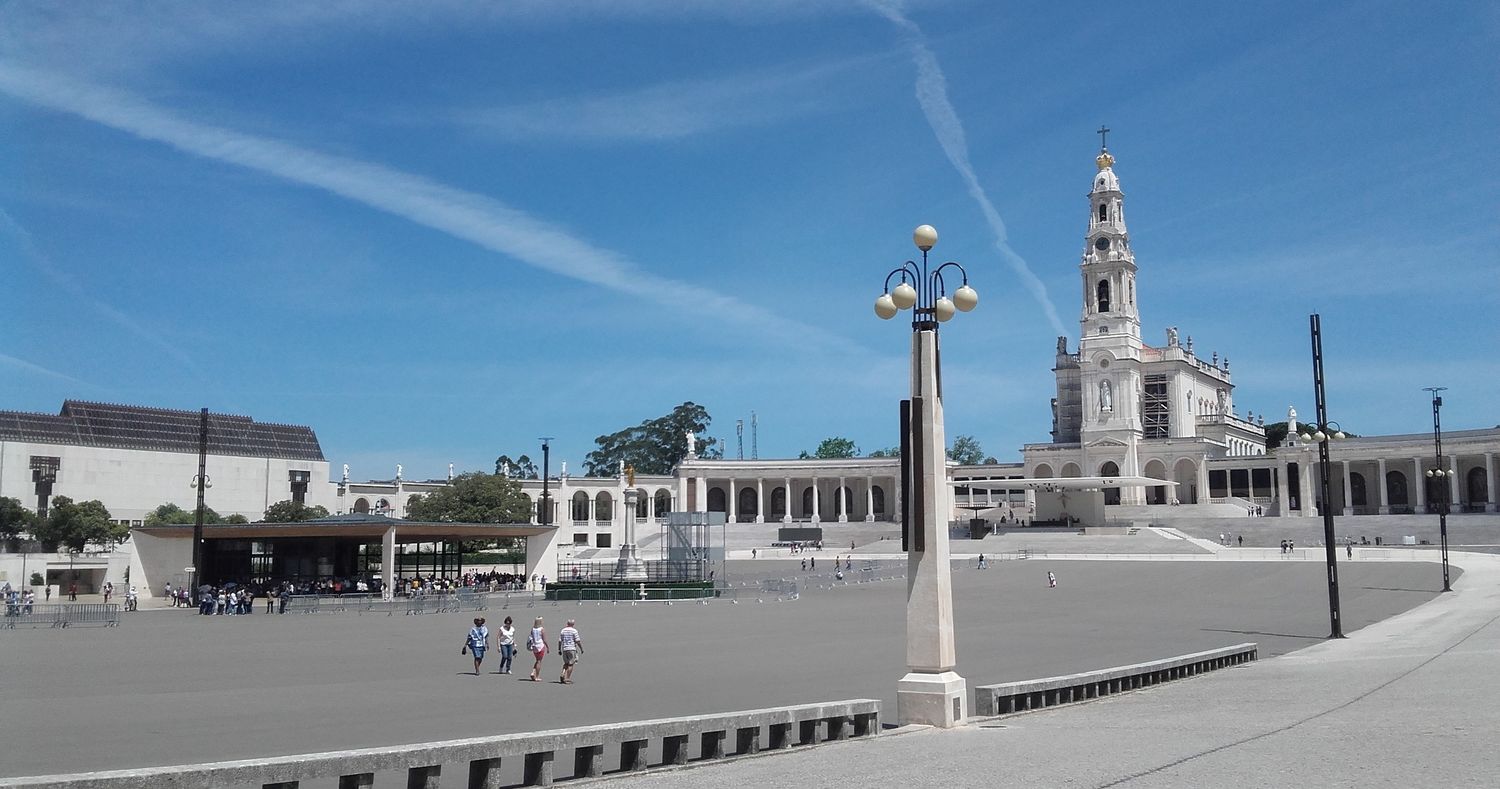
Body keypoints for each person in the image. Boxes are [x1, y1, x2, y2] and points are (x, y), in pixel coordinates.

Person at [558, 619, 582, 684]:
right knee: (571, 664)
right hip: (572, 649)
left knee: (566, 663)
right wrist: (581, 648)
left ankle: (563, 673)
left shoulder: (563, 630)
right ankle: (567, 678)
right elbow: (577, 641)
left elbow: (560, 641)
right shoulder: (574, 631)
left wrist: (559, 649)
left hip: (564, 649)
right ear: (573, 624)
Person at [527, 617, 548, 681]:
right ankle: (537, 676)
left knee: (537, 660)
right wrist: (547, 647)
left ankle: (533, 672)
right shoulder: (541, 629)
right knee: (539, 661)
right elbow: (544, 639)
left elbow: (531, 637)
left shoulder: (533, 629)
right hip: (540, 646)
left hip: (534, 646)